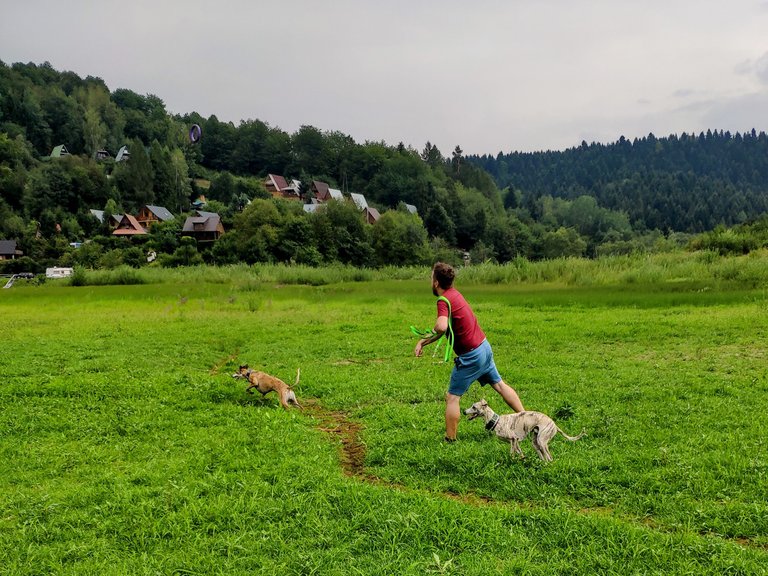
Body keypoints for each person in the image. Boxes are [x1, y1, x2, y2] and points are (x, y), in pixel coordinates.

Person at [414, 262, 525, 442]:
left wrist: (433, 328)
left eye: (431, 277)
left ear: (436, 282)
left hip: (471, 356)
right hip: (484, 347)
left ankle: (450, 439)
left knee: (452, 397)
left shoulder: (443, 300)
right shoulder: (455, 294)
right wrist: (423, 342)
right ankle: (527, 419)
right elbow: (447, 329)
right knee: (500, 385)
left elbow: (441, 326)